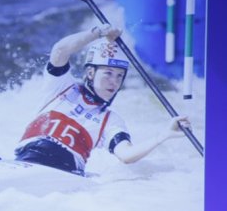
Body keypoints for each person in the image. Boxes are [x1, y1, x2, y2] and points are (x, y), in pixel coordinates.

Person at [15, 23, 191, 176]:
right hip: (24, 159)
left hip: (64, 172)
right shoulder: (62, 86)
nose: (114, 82)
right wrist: (98, 32)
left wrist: (163, 136)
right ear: (90, 73)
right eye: (108, 73)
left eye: (119, 76)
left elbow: (126, 155)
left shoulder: (111, 120)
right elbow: (60, 50)